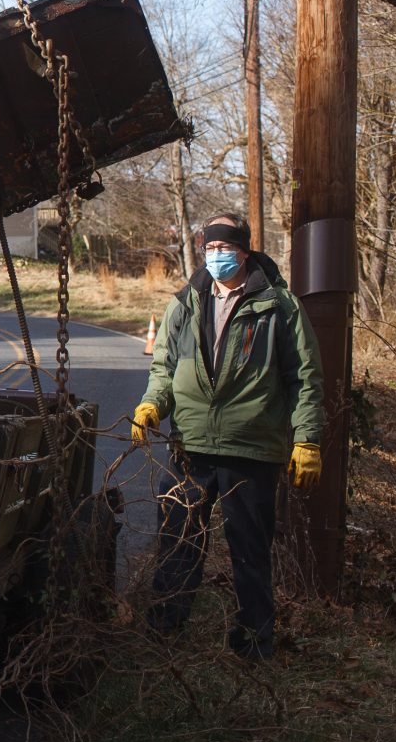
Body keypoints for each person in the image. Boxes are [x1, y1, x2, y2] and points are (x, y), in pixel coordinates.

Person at [131, 212, 325, 659]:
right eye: (210, 248)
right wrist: (152, 405)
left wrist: (307, 439)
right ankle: (164, 639)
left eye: (226, 248)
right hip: (190, 446)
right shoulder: (185, 303)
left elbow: (307, 378)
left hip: (251, 449)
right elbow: (163, 367)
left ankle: (255, 645)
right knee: (178, 546)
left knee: (250, 554)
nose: (217, 256)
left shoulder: (279, 306)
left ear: (245, 251)